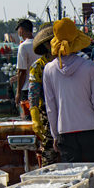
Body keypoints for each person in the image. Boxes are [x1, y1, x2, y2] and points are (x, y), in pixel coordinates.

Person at [43, 18, 94, 163]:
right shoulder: (89, 67)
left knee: (75, 180)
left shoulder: (48, 70)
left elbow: (51, 107)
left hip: (65, 132)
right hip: (91, 130)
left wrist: (55, 134)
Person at [28, 25, 58, 165]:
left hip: (68, 111)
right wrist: (35, 117)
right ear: (46, 45)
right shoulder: (38, 66)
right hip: (47, 114)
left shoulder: (68, 61)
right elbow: (33, 93)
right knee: (49, 151)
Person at [15, 19, 39, 116]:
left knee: (30, 116)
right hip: (42, 85)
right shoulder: (39, 44)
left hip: (28, 88)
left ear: (21, 30)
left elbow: (22, 72)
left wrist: (18, 92)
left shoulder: (23, 46)